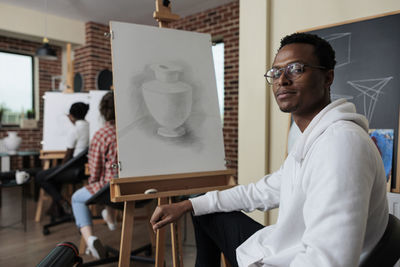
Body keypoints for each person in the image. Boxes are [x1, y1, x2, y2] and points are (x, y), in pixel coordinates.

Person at [150, 33, 389, 267]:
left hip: (292, 258)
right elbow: (260, 192)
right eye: (276, 72)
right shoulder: (313, 139)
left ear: (328, 77)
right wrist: (188, 205)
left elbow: (327, 260)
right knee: (202, 209)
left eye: (296, 69)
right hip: (286, 248)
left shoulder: (340, 145)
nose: (282, 80)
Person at [71, 92, 118, 259]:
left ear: (103, 111)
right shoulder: (137, 134)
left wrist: (92, 183)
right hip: (140, 192)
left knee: (78, 197)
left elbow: (95, 171)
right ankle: (110, 218)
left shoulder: (102, 134)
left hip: (111, 191)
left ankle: (90, 240)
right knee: (113, 180)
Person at [36, 102, 90, 218]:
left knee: (41, 176)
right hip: (84, 168)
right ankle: (56, 208)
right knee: (54, 176)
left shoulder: (75, 130)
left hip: (73, 169)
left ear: (71, 116)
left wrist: (59, 168)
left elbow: (68, 157)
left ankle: (62, 202)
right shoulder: (88, 127)